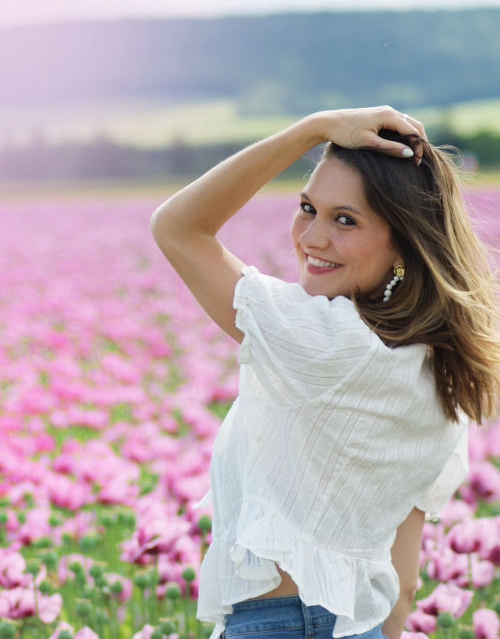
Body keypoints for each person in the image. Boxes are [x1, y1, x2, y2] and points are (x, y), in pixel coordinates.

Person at [149, 107, 500, 639]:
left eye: (345, 220)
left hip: (281, 624)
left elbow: (177, 227)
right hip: (362, 626)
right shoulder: (441, 371)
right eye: (308, 207)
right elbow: (402, 583)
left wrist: (311, 128)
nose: (312, 237)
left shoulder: (329, 342)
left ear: (403, 242)